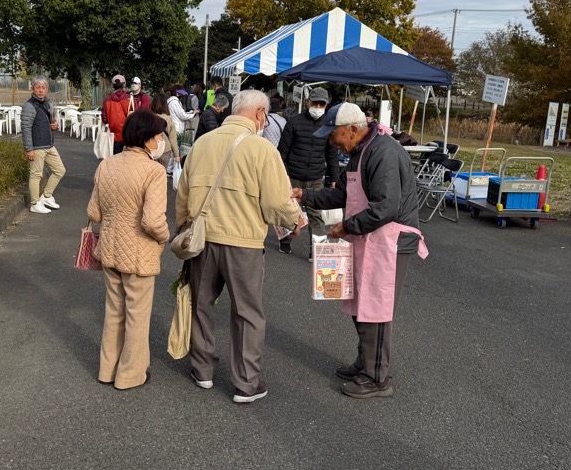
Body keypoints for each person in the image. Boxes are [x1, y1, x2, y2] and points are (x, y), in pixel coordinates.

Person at [294, 102, 428, 399]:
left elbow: (386, 207)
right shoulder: (359, 152)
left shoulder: (383, 152)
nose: (332, 141)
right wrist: (306, 195)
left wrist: (346, 227)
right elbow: (340, 193)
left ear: (353, 129)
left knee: (375, 307)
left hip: (389, 241)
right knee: (359, 303)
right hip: (368, 236)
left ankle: (376, 376)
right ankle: (367, 362)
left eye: (335, 134)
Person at [176, 89, 302, 403]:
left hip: (203, 239)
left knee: (201, 305)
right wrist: (294, 221)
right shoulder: (262, 149)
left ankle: (202, 370)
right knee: (247, 313)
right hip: (243, 242)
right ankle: (246, 383)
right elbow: (276, 201)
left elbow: (183, 193)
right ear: (260, 113)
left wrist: (183, 227)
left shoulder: (202, 142)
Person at [87, 110, 170, 390]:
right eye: (158, 136)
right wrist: (165, 237)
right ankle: (131, 375)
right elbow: (152, 221)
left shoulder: (106, 165)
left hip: (109, 249)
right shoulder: (154, 171)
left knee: (114, 312)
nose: (161, 142)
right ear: (147, 140)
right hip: (139, 254)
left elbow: (93, 212)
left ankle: (107, 370)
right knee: (137, 316)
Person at [276, 87, 339, 255]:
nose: (318, 106)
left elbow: (331, 154)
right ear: (308, 102)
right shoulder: (294, 121)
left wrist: (334, 178)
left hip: (316, 176)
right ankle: (285, 240)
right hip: (293, 174)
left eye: (321, 104)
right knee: (288, 210)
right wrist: (280, 175)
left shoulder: (329, 125)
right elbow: (282, 151)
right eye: (315, 102)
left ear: (326, 105)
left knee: (315, 215)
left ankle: (317, 250)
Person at [21, 76, 66, 214]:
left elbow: (49, 124)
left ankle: (46, 196)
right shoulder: (29, 106)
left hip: (49, 144)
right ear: (32, 89)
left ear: (47, 89)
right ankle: (35, 203)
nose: (41, 90)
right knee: (36, 175)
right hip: (37, 147)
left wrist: (55, 126)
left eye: (43, 88)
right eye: (38, 87)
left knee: (60, 170)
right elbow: (26, 128)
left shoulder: (47, 104)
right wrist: (29, 149)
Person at [148, 91, 181, 172]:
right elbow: (172, 138)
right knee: (162, 175)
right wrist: (176, 155)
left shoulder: (148, 117)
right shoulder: (168, 118)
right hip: (165, 150)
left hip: (151, 150)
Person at [101, 74, 133, 154]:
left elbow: (104, 120)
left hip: (113, 136)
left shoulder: (107, 100)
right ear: (124, 84)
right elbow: (134, 118)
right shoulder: (130, 99)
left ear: (113, 85)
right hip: (127, 136)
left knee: (115, 160)